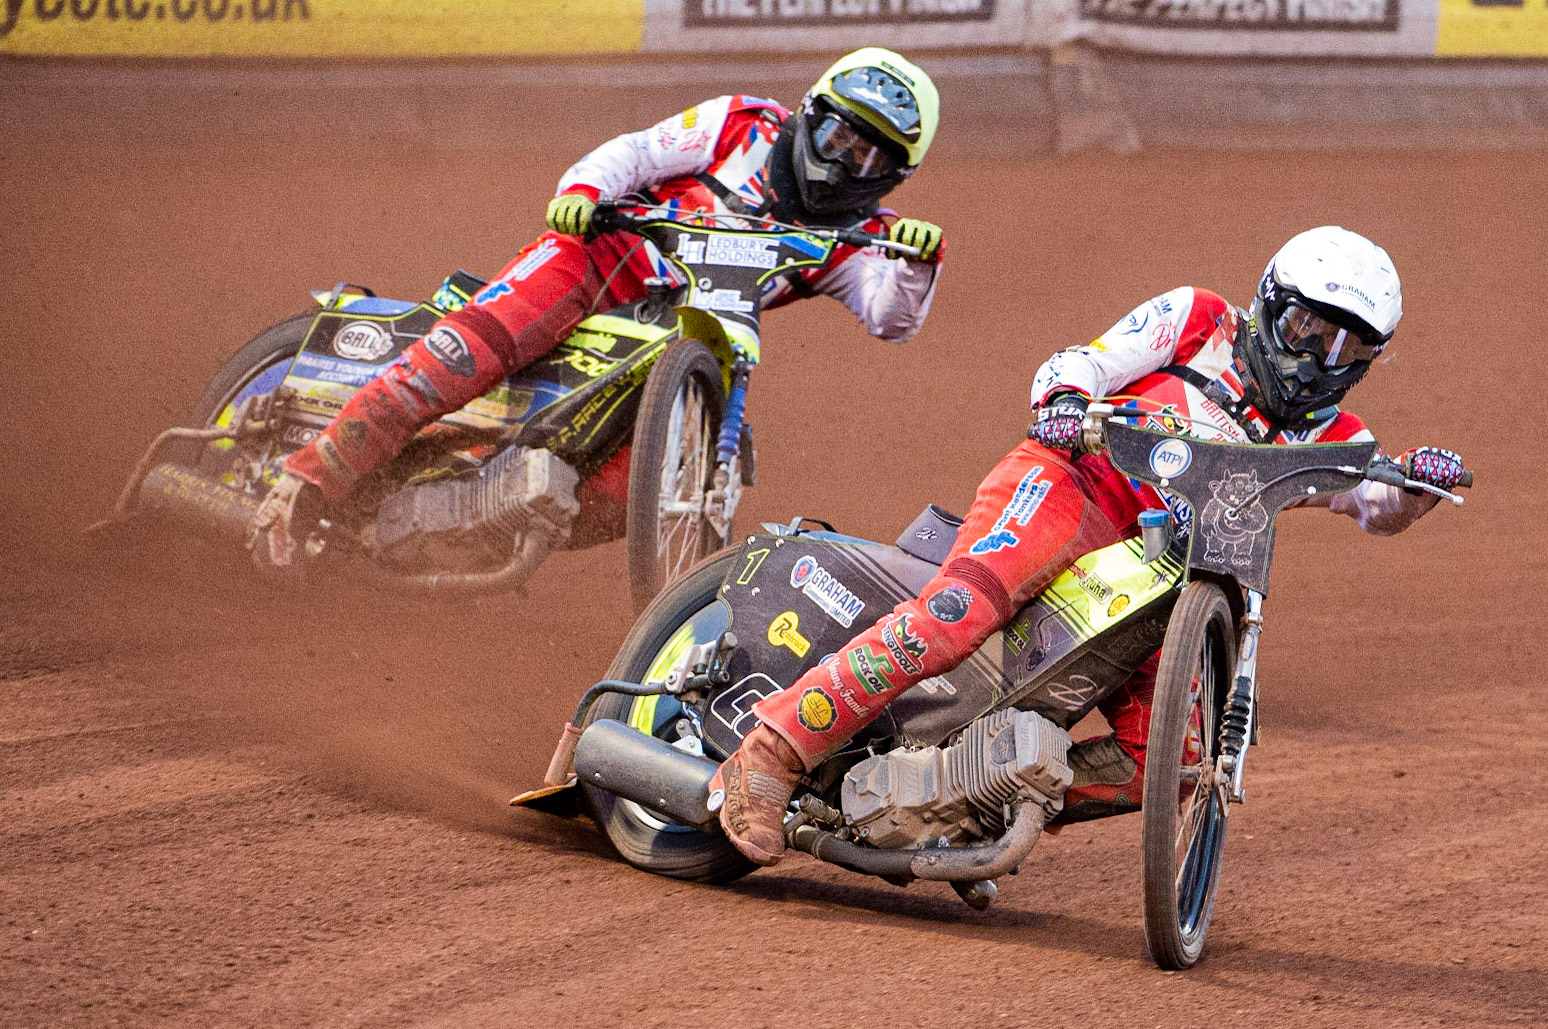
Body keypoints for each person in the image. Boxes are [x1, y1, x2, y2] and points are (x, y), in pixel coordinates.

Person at [708, 225, 1469, 866]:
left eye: (1345, 348)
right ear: (1271, 303)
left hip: (1173, 575)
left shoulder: (1337, 436)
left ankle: (971, 798)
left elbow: (1374, 502)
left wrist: (1417, 487)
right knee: (958, 611)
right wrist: (1067, 401)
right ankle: (773, 748)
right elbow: (1084, 360)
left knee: (1170, 767)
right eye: (1309, 329)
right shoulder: (1199, 320)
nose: (1316, 360)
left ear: (1368, 361)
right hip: (1075, 486)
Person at [250, 48, 947, 568]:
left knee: (627, 493)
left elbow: (891, 316)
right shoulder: (742, 124)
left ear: (892, 175)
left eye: (864, 157)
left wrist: (918, 262)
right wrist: (582, 189)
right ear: (812, 115)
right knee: (469, 353)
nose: (841, 161)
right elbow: (638, 154)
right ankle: (306, 478)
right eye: (837, 138)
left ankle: (446, 526)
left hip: (679, 337)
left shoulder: (860, 237)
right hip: (602, 257)